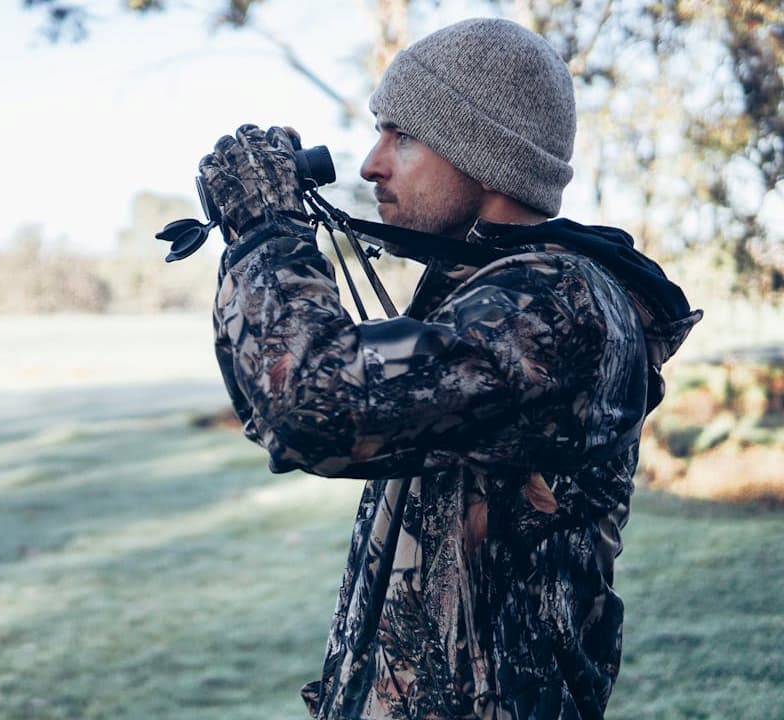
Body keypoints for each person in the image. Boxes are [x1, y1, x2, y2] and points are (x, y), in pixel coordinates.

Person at [196, 17, 702, 720]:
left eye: (401, 135)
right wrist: (251, 245)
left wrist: (267, 231)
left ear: (484, 152)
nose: (371, 164)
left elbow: (315, 408)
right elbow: (275, 404)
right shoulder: (485, 299)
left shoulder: (557, 306)